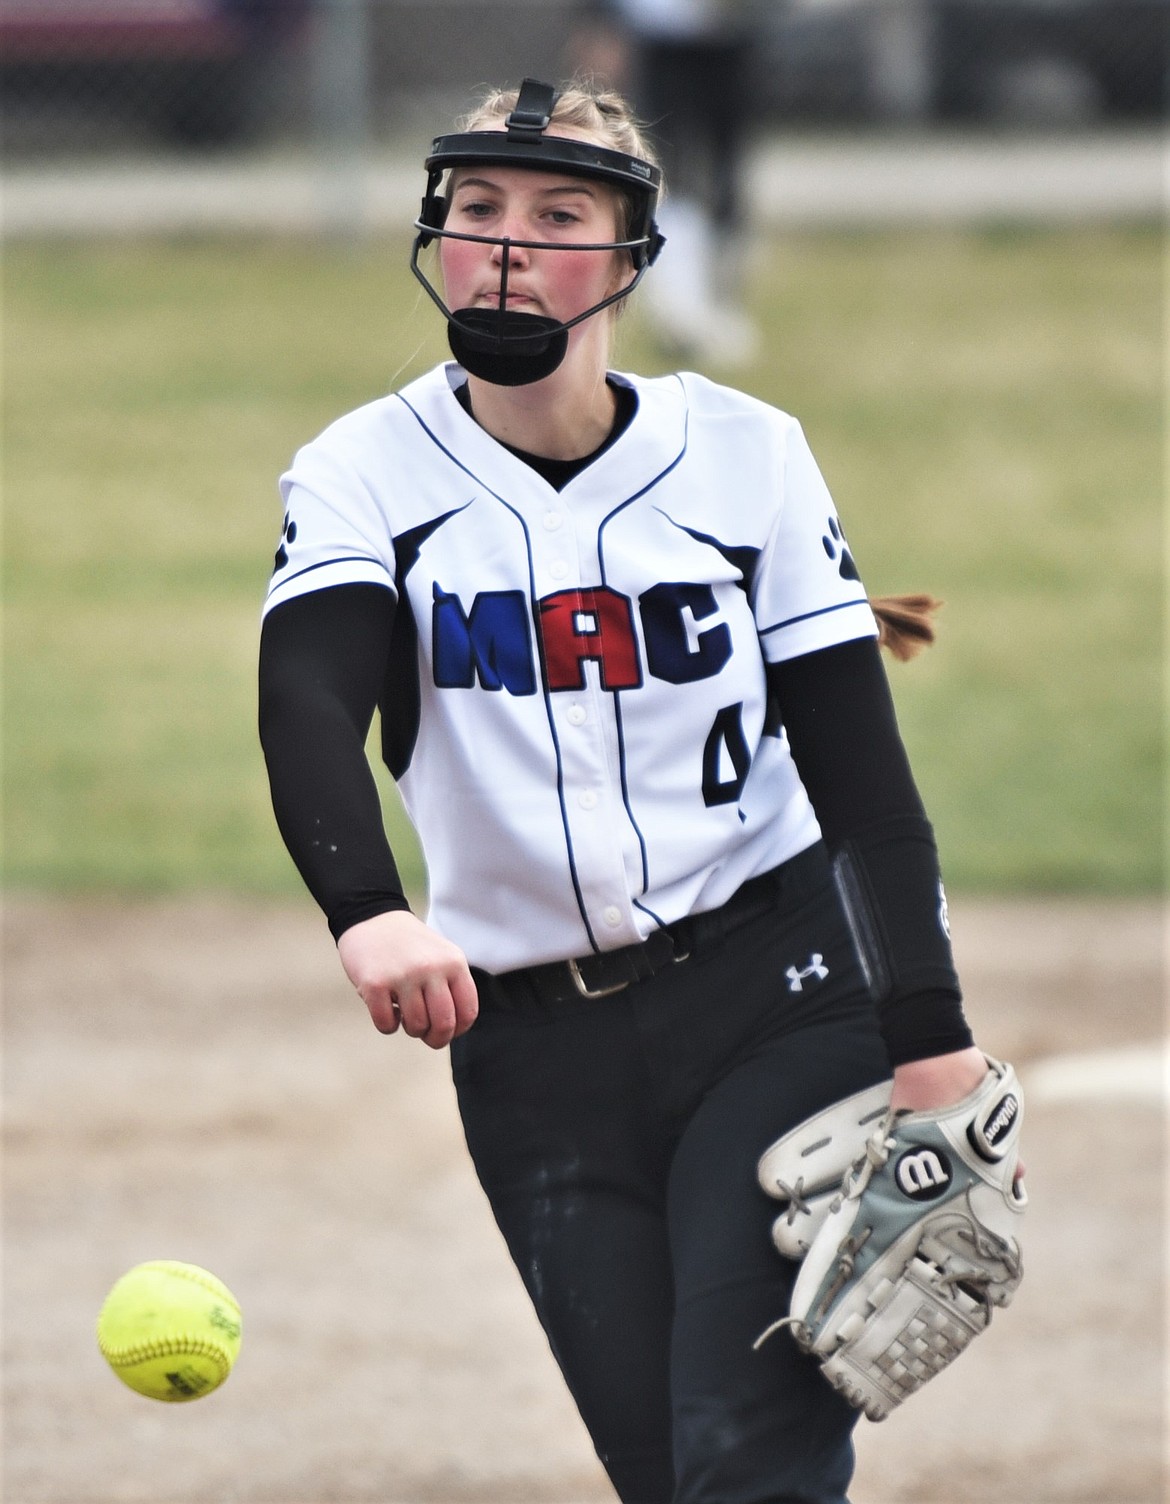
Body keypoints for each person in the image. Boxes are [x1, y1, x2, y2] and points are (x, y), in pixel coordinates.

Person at [258, 77, 998, 1504]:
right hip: (532, 1061)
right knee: (666, 1476)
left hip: (775, 998)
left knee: (748, 1464)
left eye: (558, 215)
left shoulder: (743, 454)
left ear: (628, 257)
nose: (510, 246)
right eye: (479, 212)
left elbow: (862, 782)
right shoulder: (362, 472)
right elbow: (306, 697)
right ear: (437, 237)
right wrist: (365, 909)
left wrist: (932, 1043)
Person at [568, 0, 760, 363]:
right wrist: (600, 25)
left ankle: (722, 301)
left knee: (726, 178)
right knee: (670, 172)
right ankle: (681, 306)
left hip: (730, 37)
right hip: (661, 41)